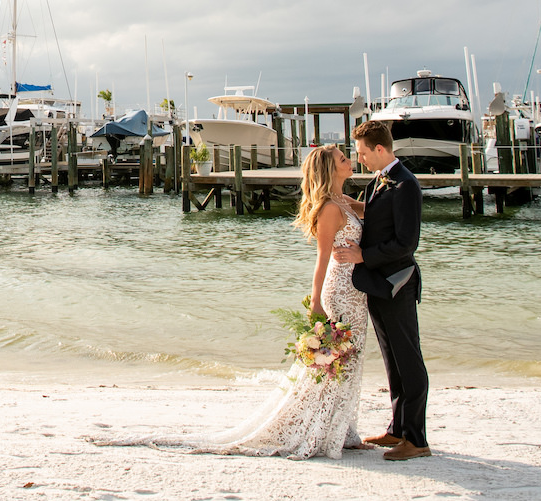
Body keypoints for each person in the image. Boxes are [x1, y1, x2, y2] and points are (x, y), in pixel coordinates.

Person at [92, 143, 370, 460]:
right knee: (332, 362)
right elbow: (321, 260)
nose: (349, 162)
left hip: (356, 292)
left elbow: (375, 209)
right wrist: (316, 303)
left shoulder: (343, 202)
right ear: (329, 170)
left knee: (349, 358)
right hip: (339, 291)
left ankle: (343, 428)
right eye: (343, 159)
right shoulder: (330, 209)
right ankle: (324, 429)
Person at [334, 118, 431, 460]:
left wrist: (363, 254)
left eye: (362, 153)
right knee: (392, 360)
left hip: (397, 283)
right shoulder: (378, 180)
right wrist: (355, 206)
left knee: (409, 360)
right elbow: (380, 220)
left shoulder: (406, 186)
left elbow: (407, 243)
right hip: (376, 283)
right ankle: (397, 429)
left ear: (379, 149)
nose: (359, 159)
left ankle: (417, 440)